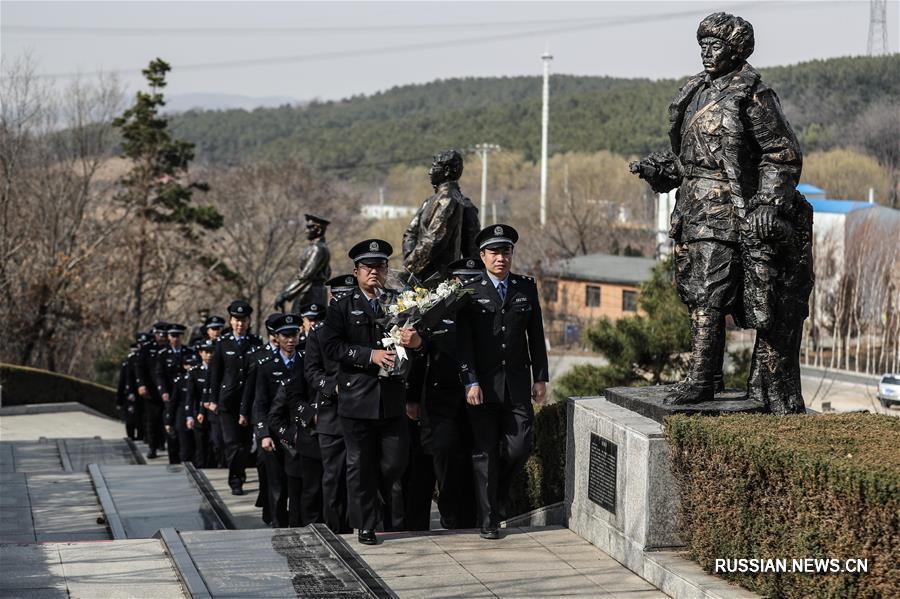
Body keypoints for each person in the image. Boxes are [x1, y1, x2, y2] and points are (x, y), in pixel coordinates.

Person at [629, 12, 812, 412]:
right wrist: (660, 170)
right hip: (692, 208)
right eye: (703, 46)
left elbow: (781, 155)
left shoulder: (752, 95)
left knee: (710, 294)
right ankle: (709, 374)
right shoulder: (696, 92)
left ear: (736, 50)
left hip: (730, 210)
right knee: (694, 291)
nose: (707, 53)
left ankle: (700, 380)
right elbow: (687, 162)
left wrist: (768, 201)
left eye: (716, 46)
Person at [318, 239, 424, 545]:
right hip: (357, 397)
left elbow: (420, 341)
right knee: (358, 462)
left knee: (395, 460)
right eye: (369, 267)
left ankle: (372, 494)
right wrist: (369, 355)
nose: (375, 272)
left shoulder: (399, 301)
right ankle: (366, 524)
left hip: (391, 396)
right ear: (356, 271)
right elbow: (331, 346)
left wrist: (415, 341)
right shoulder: (342, 305)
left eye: (380, 266)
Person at [457, 224, 549, 539]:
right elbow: (464, 342)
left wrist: (540, 377)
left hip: (517, 384)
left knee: (519, 447)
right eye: (495, 252)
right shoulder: (469, 289)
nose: (501, 258)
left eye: (506, 252)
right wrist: (470, 381)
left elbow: (535, 335)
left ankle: (499, 493)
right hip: (482, 387)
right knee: (484, 452)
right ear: (482, 256)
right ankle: (488, 520)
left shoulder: (525, 287)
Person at [265, 313, 320, 527]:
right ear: (276, 337)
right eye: (285, 336)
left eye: (294, 335)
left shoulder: (308, 363)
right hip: (295, 447)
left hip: (318, 442)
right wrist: (292, 435)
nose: (291, 340)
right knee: (295, 498)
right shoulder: (272, 366)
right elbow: (274, 414)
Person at [301, 301, 349, 533]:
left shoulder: (359, 327)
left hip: (364, 410)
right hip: (332, 414)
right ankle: (336, 527)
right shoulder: (318, 334)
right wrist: (333, 386)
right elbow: (311, 371)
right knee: (334, 476)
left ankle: (361, 524)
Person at [208, 300, 263, 495]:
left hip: (250, 402)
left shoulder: (256, 343)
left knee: (246, 444)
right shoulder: (223, 344)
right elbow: (215, 374)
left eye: (244, 320)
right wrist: (212, 399)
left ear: (249, 321)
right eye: (236, 320)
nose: (240, 324)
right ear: (230, 322)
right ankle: (235, 479)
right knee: (233, 444)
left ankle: (239, 470)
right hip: (228, 402)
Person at [402, 150, 480, 282]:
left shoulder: (448, 200)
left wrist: (410, 266)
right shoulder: (432, 200)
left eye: (434, 167)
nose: (430, 172)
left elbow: (434, 239)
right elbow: (411, 232)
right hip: (425, 276)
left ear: (447, 170)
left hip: (435, 279)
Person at [275, 214, 332, 313]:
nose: (306, 231)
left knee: (302, 324)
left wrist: (285, 294)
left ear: (318, 230)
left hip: (309, 294)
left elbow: (305, 276)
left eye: (309, 228)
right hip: (315, 293)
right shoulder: (321, 248)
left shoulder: (317, 249)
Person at [135, 321, 169, 459]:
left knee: (166, 419)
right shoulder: (147, 349)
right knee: (152, 420)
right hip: (152, 391)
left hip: (168, 390)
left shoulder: (170, 348)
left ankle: (164, 443)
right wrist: (141, 384)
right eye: (159, 334)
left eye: (164, 334)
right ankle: (152, 446)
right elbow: (139, 368)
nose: (162, 337)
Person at [166, 352, 200, 465]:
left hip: (198, 414)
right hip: (182, 416)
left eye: (193, 364)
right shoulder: (180, 381)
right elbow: (173, 402)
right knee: (185, 446)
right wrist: (169, 421)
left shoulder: (201, 377)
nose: (191, 367)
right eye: (188, 364)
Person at [186, 338, 215, 468]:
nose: (209, 355)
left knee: (215, 441)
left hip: (215, 412)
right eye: (206, 352)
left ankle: (215, 464)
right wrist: (189, 415)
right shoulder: (194, 371)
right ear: (200, 353)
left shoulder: (218, 370)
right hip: (199, 412)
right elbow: (190, 396)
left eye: (211, 352)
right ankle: (203, 466)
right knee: (201, 443)